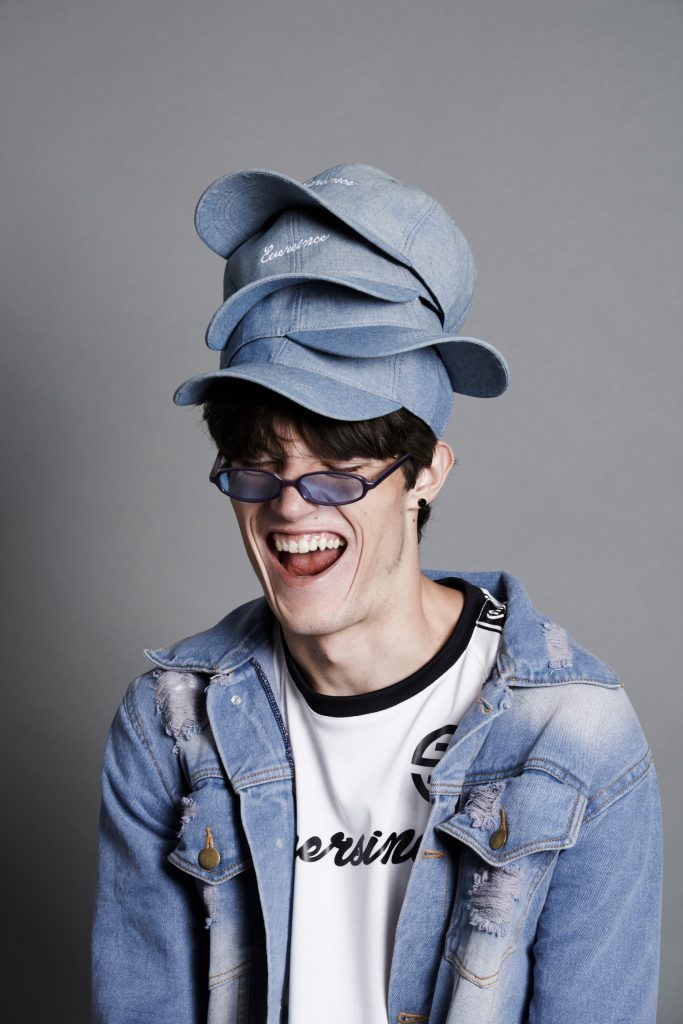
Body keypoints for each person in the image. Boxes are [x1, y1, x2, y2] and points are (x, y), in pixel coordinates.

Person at [92, 164, 662, 1024]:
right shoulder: (173, 724)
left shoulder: (575, 733)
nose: (291, 507)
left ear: (425, 473)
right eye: (257, 468)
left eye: (338, 472)